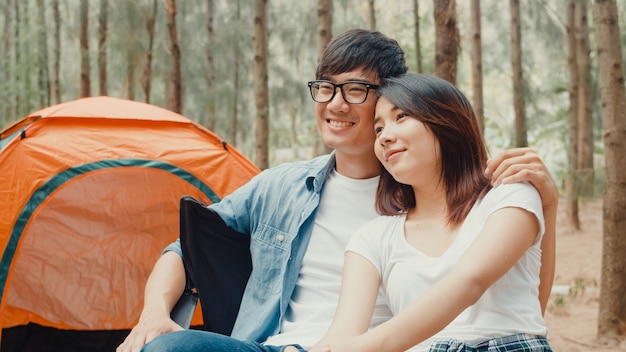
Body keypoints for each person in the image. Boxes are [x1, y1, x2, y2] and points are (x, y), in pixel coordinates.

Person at [117, 29, 558, 352]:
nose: (335, 104)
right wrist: (154, 314)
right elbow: (183, 248)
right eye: (326, 88)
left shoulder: (432, 193)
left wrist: (547, 209)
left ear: (392, 97)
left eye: (354, 90)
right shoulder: (282, 187)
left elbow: (510, 296)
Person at [306, 73, 552, 352]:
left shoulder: (508, 196)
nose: (385, 136)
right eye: (378, 129)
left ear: (447, 123)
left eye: (400, 117)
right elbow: (341, 336)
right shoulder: (372, 238)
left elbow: (469, 282)